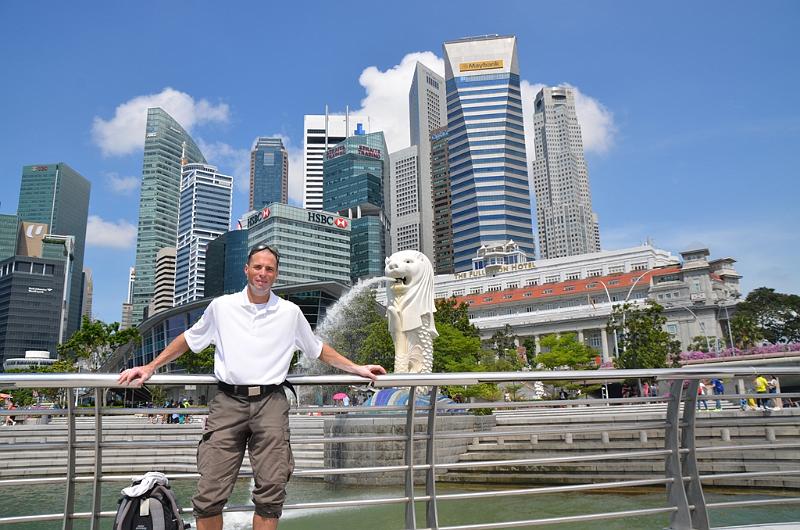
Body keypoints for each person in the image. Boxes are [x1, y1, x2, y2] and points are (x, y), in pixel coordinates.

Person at [118, 244, 386, 530]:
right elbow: (188, 339)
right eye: (257, 267)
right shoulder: (222, 307)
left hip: (271, 403)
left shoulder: (290, 312)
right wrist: (150, 367)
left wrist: (357, 368)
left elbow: (318, 349)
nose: (263, 273)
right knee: (209, 493)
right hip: (228, 402)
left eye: (269, 269)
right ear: (246, 269)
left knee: (271, 492)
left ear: (276, 274)